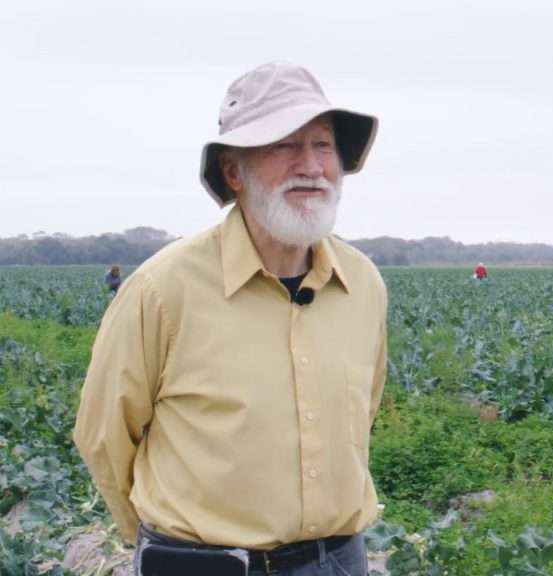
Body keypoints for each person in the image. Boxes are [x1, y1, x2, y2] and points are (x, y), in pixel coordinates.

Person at [74, 62, 385, 576]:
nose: (311, 165)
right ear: (233, 171)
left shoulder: (364, 286)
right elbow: (104, 435)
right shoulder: (162, 289)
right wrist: (166, 541)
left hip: (338, 563)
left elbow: (362, 415)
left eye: (323, 145)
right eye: (283, 145)